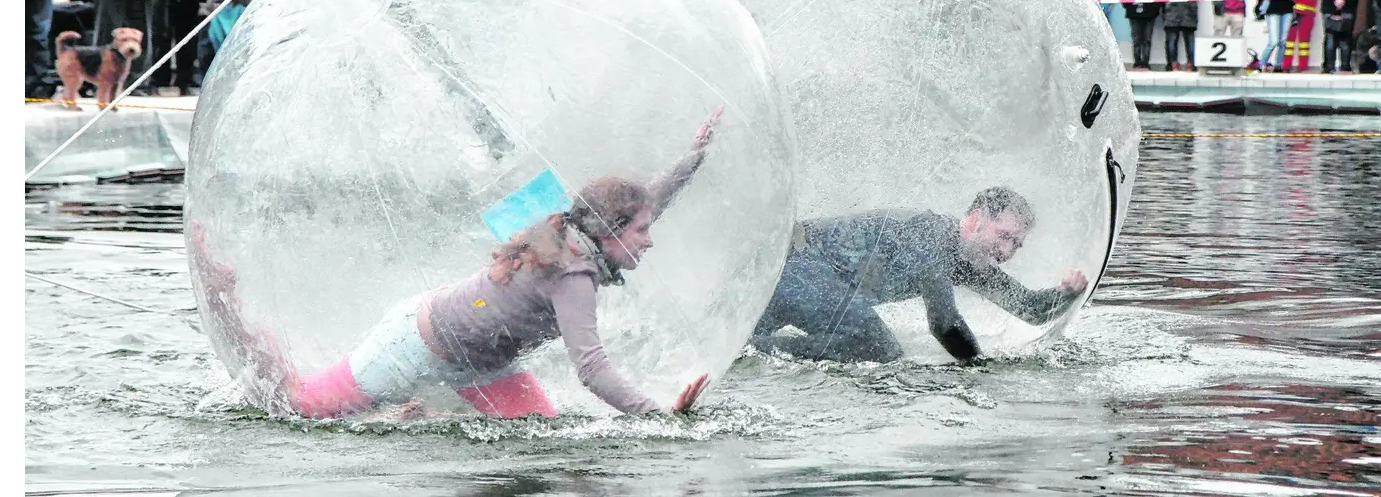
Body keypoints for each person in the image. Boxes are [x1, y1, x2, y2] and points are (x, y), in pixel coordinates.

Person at [190, 112, 723, 420]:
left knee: (542, 439)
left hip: (487, 363)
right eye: (642, 232)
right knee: (298, 407)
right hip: (414, 348)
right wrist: (659, 420)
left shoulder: (581, 232)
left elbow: (645, 200)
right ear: (608, 232)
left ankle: (418, 413)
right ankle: (225, 295)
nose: (650, 243)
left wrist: (692, 157)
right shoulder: (574, 275)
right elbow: (592, 368)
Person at [751, 187, 1087, 363]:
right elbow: (945, 325)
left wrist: (1066, 293)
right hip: (796, 263)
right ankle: (755, 349)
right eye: (1003, 236)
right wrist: (982, 372)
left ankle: (749, 347)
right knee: (879, 347)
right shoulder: (934, 236)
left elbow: (1029, 309)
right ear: (976, 219)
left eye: (1016, 244)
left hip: (801, 277)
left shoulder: (971, 260)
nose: (1007, 251)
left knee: (872, 343)